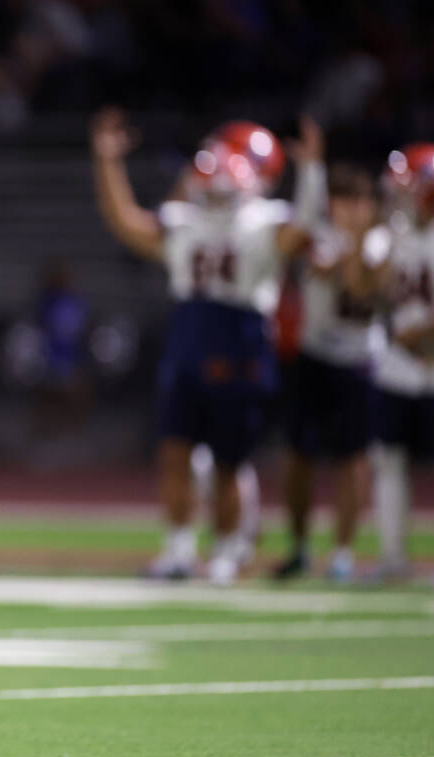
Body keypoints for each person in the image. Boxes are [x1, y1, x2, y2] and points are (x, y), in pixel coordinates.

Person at [91, 110, 320, 584]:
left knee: (229, 462)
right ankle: (177, 551)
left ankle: (228, 551)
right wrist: (106, 162)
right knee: (174, 452)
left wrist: (314, 173)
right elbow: (126, 223)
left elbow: (302, 234)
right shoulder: (185, 221)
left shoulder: (264, 221)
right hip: (190, 337)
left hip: (239, 339)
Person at [274, 164, 388, 582]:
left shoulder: (380, 242)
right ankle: (299, 547)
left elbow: (360, 286)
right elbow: (314, 263)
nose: (352, 209)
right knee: (298, 457)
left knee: (352, 459)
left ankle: (342, 553)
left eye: (359, 201)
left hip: (359, 360)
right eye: (343, 200)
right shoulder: (318, 237)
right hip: (314, 354)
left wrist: (353, 244)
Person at [370, 143, 434, 581]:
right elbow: (366, 287)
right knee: (388, 460)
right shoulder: (392, 235)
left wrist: (416, 334)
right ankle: (392, 558)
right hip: (397, 367)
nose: (403, 196)